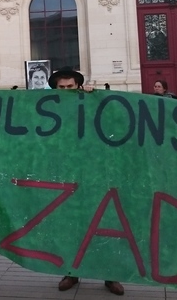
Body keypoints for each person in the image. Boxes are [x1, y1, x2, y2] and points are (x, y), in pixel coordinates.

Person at [49, 68, 124, 296]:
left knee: (105, 225)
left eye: (70, 87)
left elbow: (114, 120)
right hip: (66, 176)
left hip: (96, 175)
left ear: (78, 86)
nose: (66, 91)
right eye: (61, 88)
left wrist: (95, 96)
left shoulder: (91, 102)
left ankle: (110, 275)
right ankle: (71, 272)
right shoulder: (49, 108)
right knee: (72, 226)